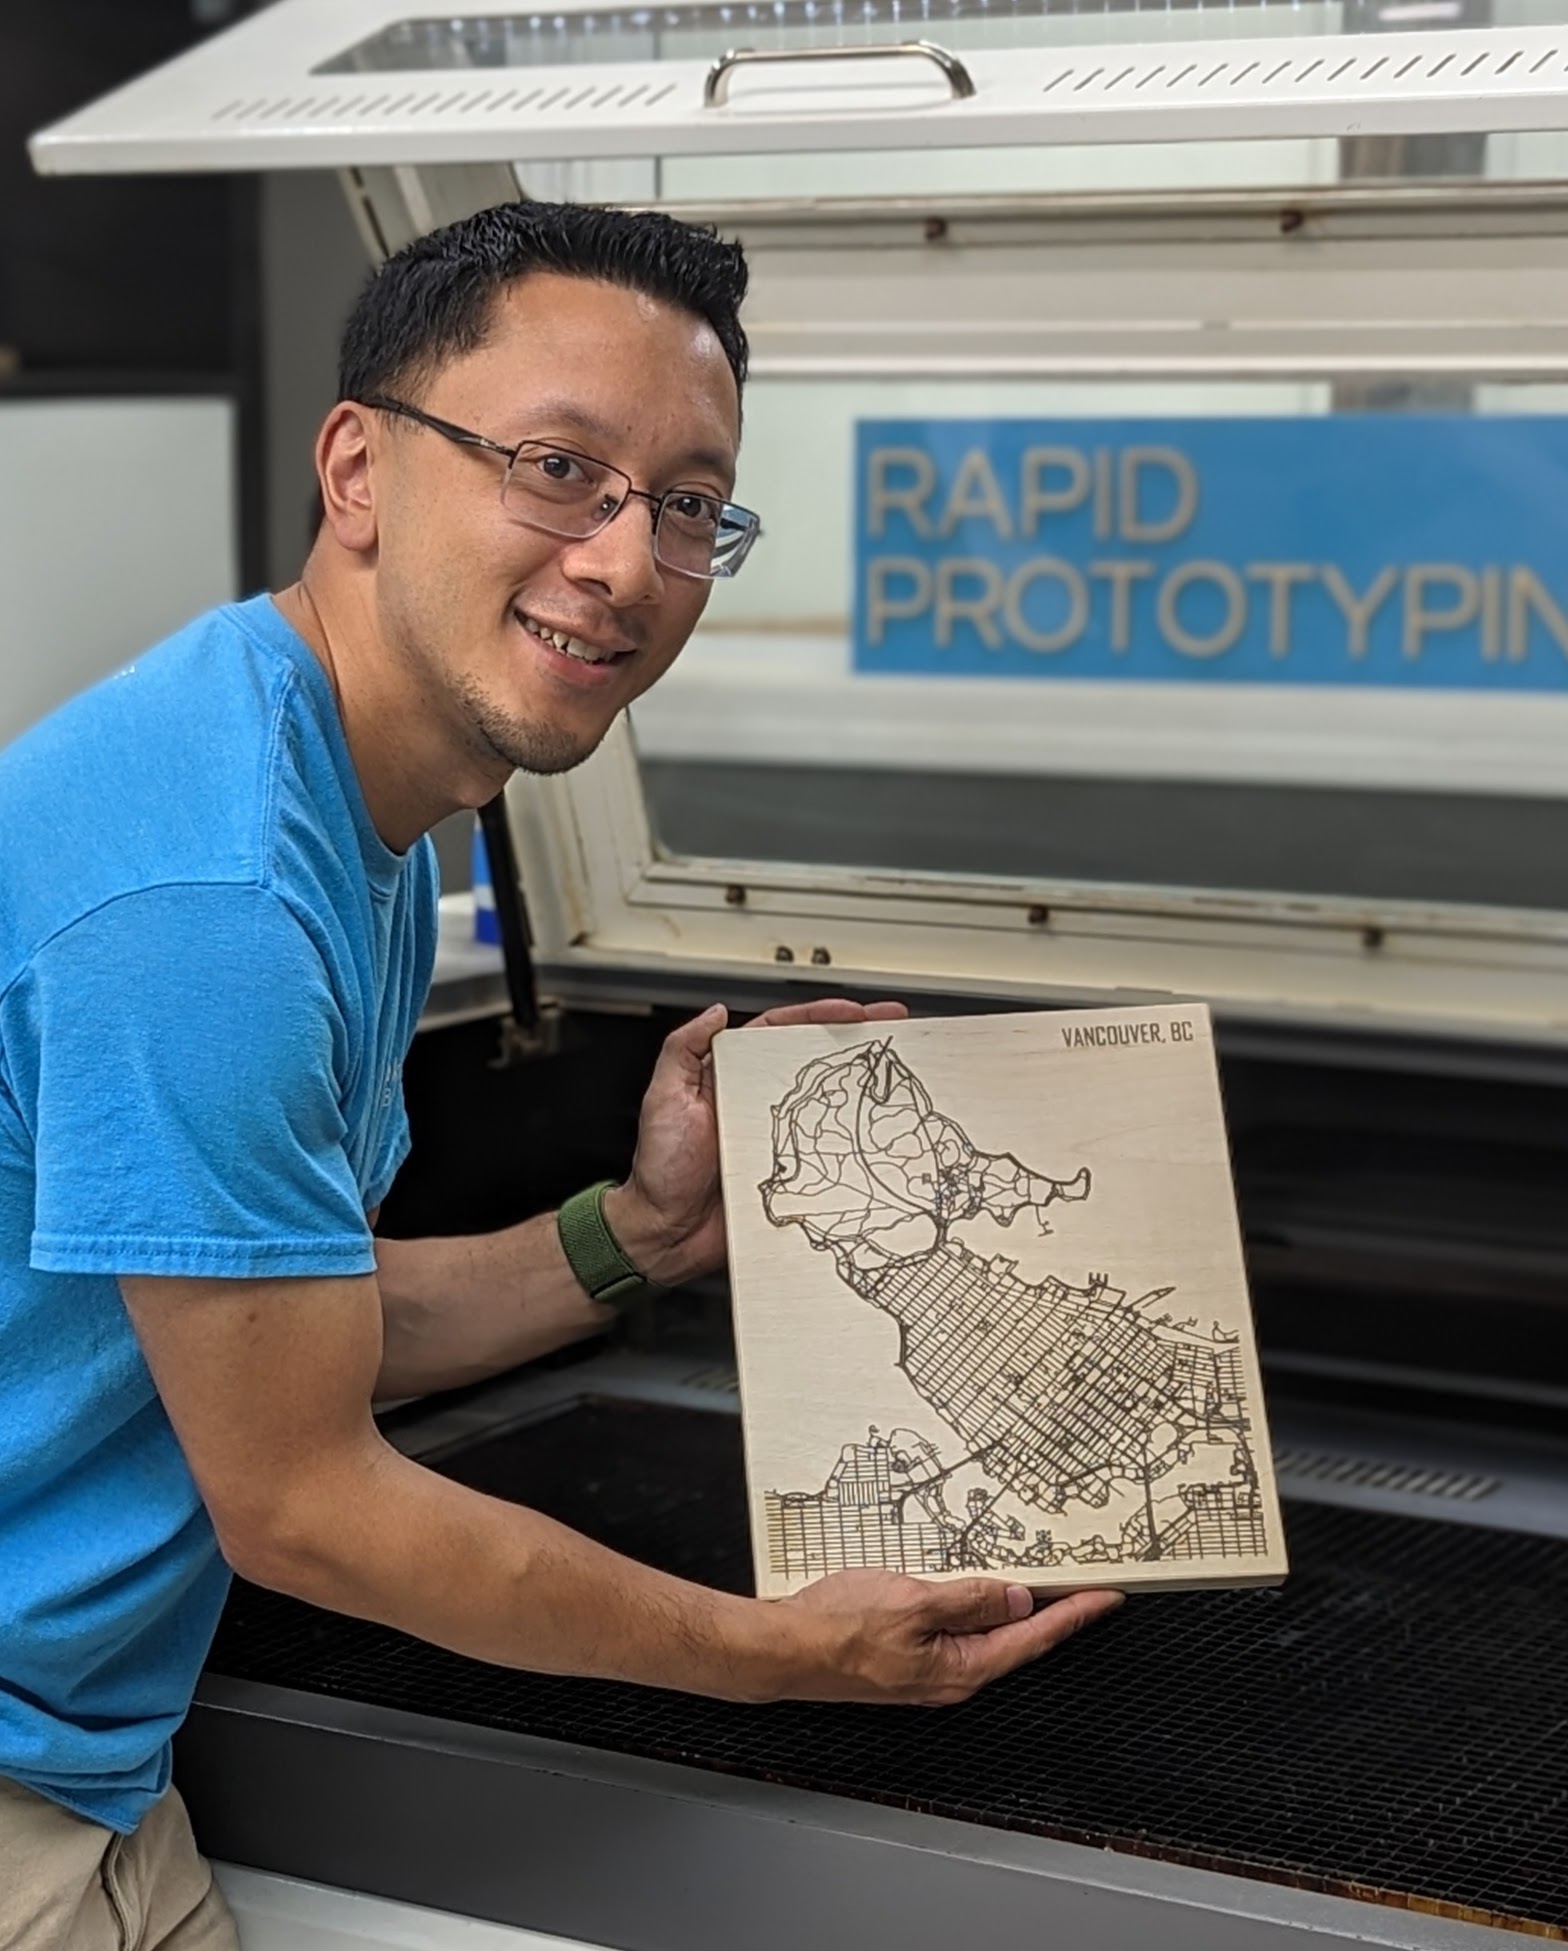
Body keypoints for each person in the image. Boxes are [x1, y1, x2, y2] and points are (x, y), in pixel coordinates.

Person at [0, 201, 1120, 1951]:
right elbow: (303, 1502)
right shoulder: (211, 900)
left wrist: (638, 1234)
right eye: (557, 467)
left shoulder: (337, 799)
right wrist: (774, 1651)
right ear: (358, 470)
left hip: (84, 1770)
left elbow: (288, 1322)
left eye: (686, 503)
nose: (622, 558)